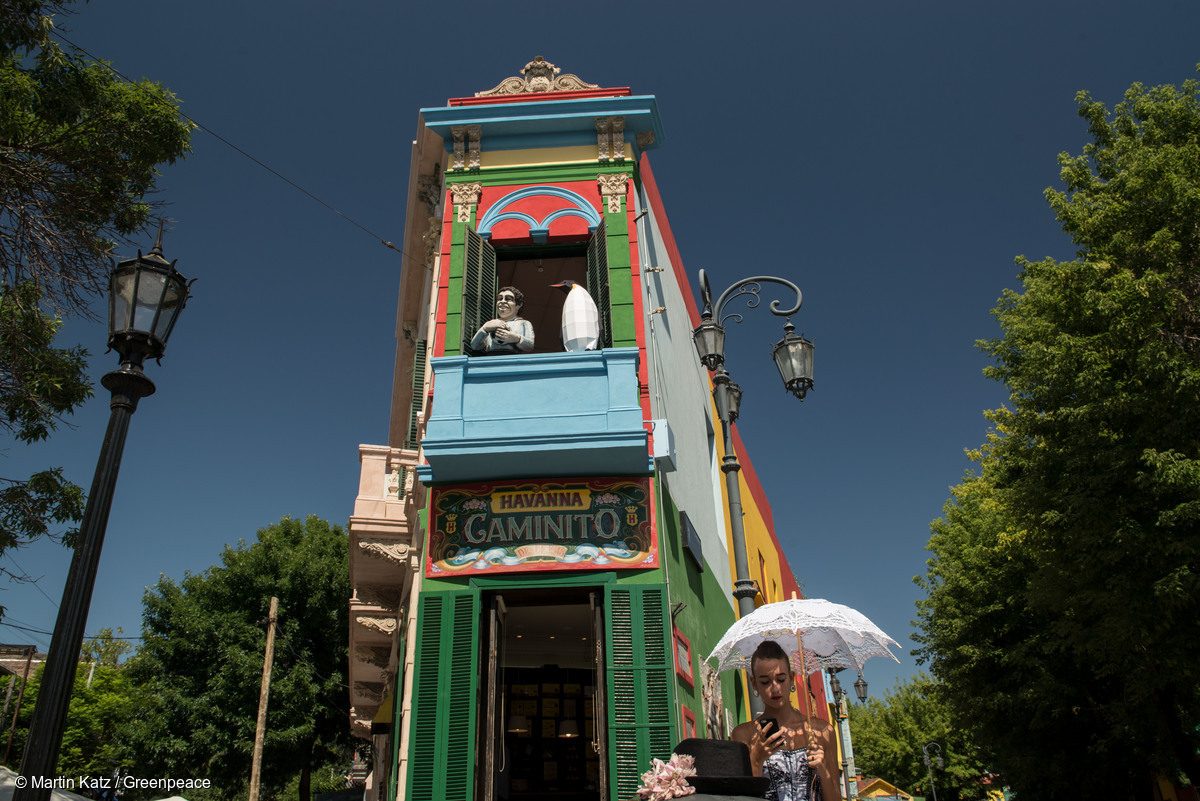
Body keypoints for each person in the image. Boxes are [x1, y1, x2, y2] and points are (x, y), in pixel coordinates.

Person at [731, 640, 830, 801]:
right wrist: (756, 759)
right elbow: (743, 798)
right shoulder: (743, 735)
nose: (775, 688)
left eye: (781, 679)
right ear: (754, 684)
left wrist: (822, 767)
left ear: (791, 678)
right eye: (765, 682)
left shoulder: (822, 730)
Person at [470, 286, 535, 355]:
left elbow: (529, 346)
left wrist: (516, 338)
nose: (503, 301)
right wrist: (484, 329)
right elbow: (475, 346)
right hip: (491, 359)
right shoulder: (490, 324)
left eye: (508, 299)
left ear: (518, 305)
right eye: (500, 298)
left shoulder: (523, 323)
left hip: (513, 359)